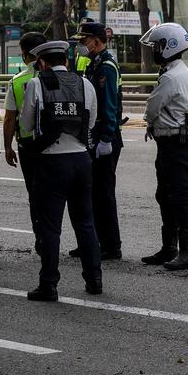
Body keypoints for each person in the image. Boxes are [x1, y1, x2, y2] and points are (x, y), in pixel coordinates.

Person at [20, 40, 102, 301]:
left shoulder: (36, 84)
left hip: (51, 162)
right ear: (65, 60)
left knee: (50, 228)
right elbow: (92, 119)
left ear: (42, 62)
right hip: (81, 160)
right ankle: (94, 279)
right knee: (85, 223)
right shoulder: (85, 84)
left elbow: (26, 123)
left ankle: (49, 285)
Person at [139, 23, 188, 270]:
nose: (155, 50)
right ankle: (169, 248)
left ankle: (187, 252)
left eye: (158, 45)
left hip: (177, 143)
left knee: (179, 197)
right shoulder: (178, 71)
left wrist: (154, 119)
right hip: (172, 141)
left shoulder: (171, 77)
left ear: (169, 46)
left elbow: (152, 106)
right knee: (165, 195)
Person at [65, 22, 123, 260]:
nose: (81, 45)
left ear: (96, 41)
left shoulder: (106, 66)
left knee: (104, 193)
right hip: (93, 137)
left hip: (104, 137)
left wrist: (107, 138)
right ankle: (94, 241)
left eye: (84, 40)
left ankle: (111, 245)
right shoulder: (94, 64)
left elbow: (109, 105)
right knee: (91, 193)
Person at [3, 32, 48, 243]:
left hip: (28, 144)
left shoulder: (17, 81)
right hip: (57, 144)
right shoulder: (59, 76)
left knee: (35, 192)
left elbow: (10, 118)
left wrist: (8, 147)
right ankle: (53, 236)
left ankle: (41, 237)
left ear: (24, 54)